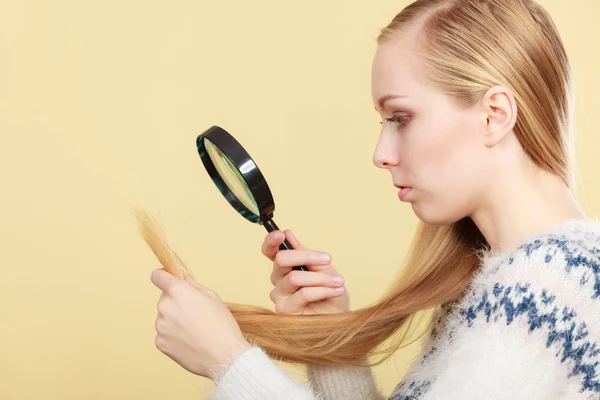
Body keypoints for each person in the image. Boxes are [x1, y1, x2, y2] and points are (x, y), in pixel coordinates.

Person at [149, 0, 600, 398]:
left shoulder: (551, 288)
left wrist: (229, 364)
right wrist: (331, 346)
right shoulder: (507, 282)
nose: (381, 155)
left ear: (493, 115)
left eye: (401, 117)